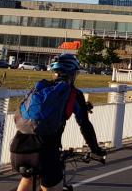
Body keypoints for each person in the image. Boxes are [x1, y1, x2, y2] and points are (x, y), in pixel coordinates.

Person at [12, 53, 105, 191]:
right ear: (72, 74)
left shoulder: (39, 88)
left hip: (18, 148)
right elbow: (84, 124)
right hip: (44, 151)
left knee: (28, 179)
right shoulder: (73, 94)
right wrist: (95, 150)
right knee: (51, 186)